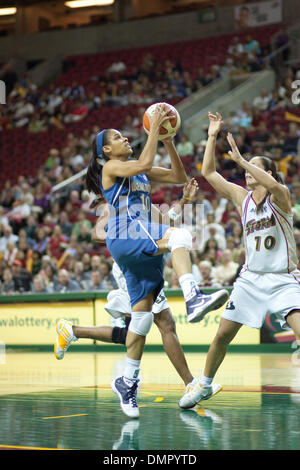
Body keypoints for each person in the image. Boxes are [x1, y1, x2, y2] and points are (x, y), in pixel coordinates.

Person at [59, 106, 228, 418]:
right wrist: (153, 131)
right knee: (179, 237)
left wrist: (167, 140)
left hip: (138, 235)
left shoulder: (139, 170)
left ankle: (128, 380)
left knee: (143, 318)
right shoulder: (112, 168)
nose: (125, 138)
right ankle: (193, 296)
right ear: (107, 150)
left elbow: (177, 176)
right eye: (117, 138)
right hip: (126, 234)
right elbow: (146, 163)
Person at [179, 111, 300, 409]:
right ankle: (204, 385)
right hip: (251, 279)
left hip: (284, 279)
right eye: (246, 168)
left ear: (268, 174)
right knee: (222, 334)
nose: (246, 173)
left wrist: (242, 160)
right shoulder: (241, 198)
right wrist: (211, 136)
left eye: (254, 169)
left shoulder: (281, 197)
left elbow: (273, 186)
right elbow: (208, 173)